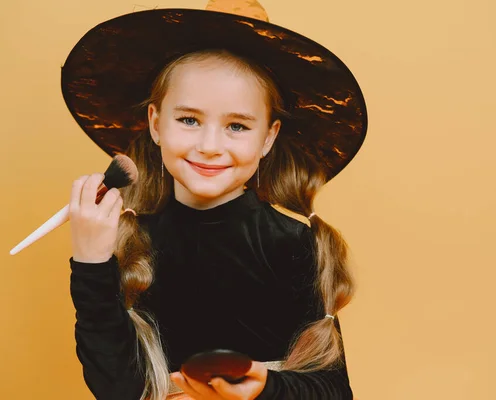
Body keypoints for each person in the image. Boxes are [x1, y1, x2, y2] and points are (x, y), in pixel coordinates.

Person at [63, 1, 368, 399]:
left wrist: (266, 387)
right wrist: (90, 262)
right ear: (156, 124)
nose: (209, 146)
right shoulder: (127, 242)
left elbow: (332, 391)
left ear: (269, 138)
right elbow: (116, 387)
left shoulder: (293, 244)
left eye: (237, 126)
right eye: (188, 120)